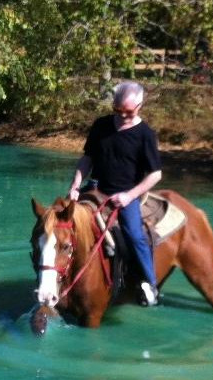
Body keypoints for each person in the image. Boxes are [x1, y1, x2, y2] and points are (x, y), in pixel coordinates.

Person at [67, 80, 163, 306]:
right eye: (117, 110)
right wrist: (74, 186)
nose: (122, 116)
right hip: (94, 187)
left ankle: (150, 284)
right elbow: (87, 158)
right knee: (65, 223)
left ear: (140, 105)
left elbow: (155, 174)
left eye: (128, 112)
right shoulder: (101, 125)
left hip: (125, 193)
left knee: (134, 235)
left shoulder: (145, 134)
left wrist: (129, 196)